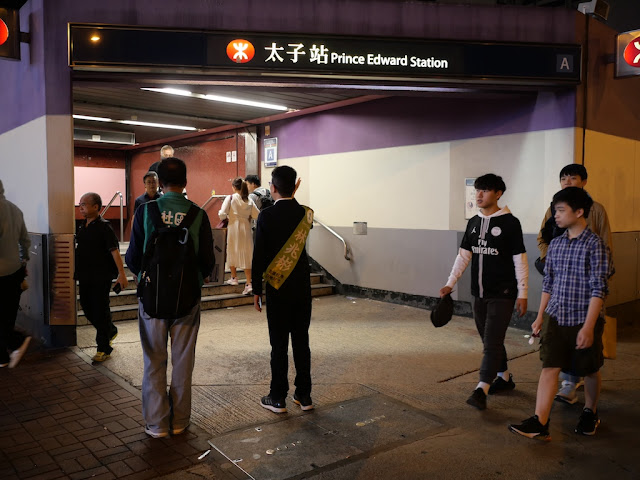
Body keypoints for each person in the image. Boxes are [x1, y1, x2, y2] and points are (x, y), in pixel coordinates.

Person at [509, 187, 613, 439]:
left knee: (589, 369)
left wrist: (589, 327)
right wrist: (539, 316)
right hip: (556, 316)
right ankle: (540, 422)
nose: (555, 215)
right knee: (549, 366)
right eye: (555, 210)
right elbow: (549, 284)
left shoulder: (595, 245)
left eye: (561, 210)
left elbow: (599, 288)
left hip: (583, 318)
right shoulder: (555, 244)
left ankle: (590, 411)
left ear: (579, 212)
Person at [126, 157, 214, 438]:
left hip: (151, 300)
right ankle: (180, 422)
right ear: (185, 182)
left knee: (154, 361)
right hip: (187, 300)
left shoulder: (146, 211)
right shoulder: (198, 214)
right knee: (183, 362)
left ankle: (157, 424)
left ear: (159, 183)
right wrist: (193, 283)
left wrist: (144, 280)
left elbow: (133, 257)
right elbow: (207, 261)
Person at [440, 173, 528, 410]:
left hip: (503, 294)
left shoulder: (511, 223)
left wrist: (523, 293)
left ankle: (482, 389)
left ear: (498, 194)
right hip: (477, 294)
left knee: (491, 342)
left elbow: (520, 260)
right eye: (477, 190)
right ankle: (505, 378)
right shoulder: (473, 223)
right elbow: (463, 257)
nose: (478, 194)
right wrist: (450, 283)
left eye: (485, 190)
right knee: (491, 340)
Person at [536, 164, 613, 405]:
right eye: (563, 178)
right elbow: (543, 237)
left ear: (584, 181)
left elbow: (606, 244)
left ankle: (590, 408)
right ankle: (564, 391)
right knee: (553, 358)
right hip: (559, 292)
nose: (567, 181)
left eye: (573, 178)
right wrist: (551, 259)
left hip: (586, 293)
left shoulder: (596, 212)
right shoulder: (553, 211)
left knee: (587, 359)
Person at [252, 165, 313, 414]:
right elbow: (293, 211)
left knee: (279, 345)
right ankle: (304, 395)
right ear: (294, 186)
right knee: (301, 342)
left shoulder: (265, 216)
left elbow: (259, 257)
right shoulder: (305, 214)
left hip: (277, 287)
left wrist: (256, 289)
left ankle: (278, 397)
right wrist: (292, 194)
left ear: (273, 187)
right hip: (302, 288)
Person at [76, 192, 128, 362]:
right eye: (80, 204)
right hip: (85, 276)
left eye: (84, 204)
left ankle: (103, 348)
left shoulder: (104, 227)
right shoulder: (82, 227)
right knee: (87, 307)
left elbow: (114, 251)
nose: (80, 206)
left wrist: (122, 275)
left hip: (101, 276)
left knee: (100, 310)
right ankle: (110, 330)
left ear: (96, 207)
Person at [0, 179, 32, 368]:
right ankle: (3, 356)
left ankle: (16, 342)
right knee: (7, 314)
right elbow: (25, 241)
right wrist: (22, 261)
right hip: (13, 272)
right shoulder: (15, 209)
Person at [219, 177, 259, 295]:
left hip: (233, 226)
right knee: (247, 253)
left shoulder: (230, 198)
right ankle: (248, 283)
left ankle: (234, 277)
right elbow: (257, 215)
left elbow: (222, 214)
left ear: (234, 187)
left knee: (232, 250)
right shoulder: (249, 201)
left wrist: (226, 216)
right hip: (246, 228)